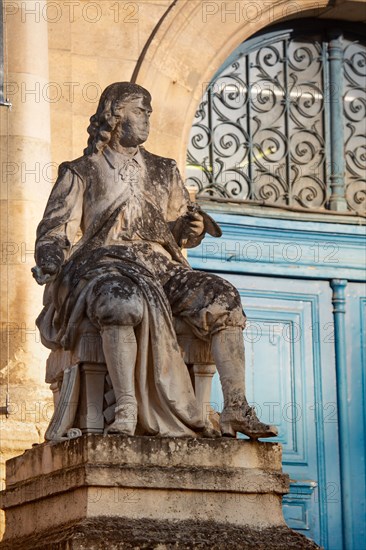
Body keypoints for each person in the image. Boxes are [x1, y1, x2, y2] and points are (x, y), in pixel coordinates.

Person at [33, 82, 277, 439]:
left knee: (223, 297)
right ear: (115, 114)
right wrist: (51, 260)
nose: (147, 117)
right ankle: (126, 407)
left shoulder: (165, 170)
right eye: (139, 109)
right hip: (105, 263)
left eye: (148, 110)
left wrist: (190, 228)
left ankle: (235, 407)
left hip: (161, 266)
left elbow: (177, 231)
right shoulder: (81, 170)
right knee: (120, 302)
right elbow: (55, 229)